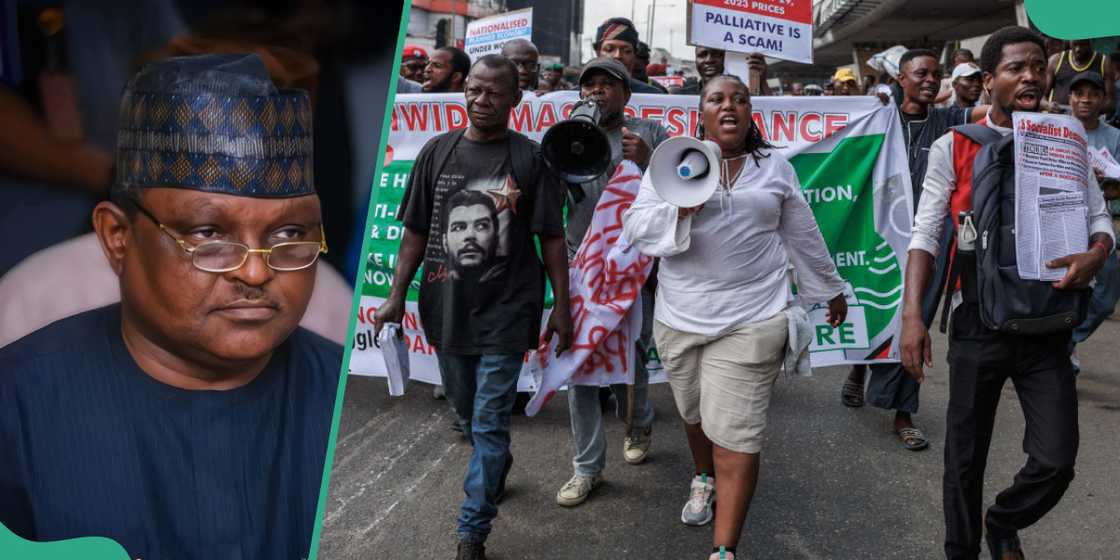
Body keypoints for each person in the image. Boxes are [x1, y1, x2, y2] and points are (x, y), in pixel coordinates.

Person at [0, 53, 340, 560]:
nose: (255, 272)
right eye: (208, 233)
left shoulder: (349, 398)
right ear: (118, 238)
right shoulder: (16, 405)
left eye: (289, 232)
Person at [902, 26, 1115, 560]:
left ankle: (1002, 521)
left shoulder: (1067, 139)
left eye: (1038, 67)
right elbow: (925, 234)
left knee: (1056, 461)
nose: (1029, 77)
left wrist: (1097, 253)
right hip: (977, 322)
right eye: (1015, 68)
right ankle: (962, 550)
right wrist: (912, 318)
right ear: (989, 80)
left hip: (1048, 323)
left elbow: (1098, 218)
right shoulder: (955, 146)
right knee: (964, 459)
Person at [622, 74, 847, 560]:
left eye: (739, 99)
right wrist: (682, 210)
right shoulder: (673, 164)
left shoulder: (774, 167)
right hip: (680, 317)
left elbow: (803, 232)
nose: (729, 106)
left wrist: (829, 288)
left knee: (735, 434)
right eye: (717, 99)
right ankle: (702, 476)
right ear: (700, 113)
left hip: (754, 317)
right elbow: (637, 226)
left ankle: (724, 551)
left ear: (750, 113)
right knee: (694, 413)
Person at [374, 54, 570, 560]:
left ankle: (472, 531)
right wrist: (396, 295)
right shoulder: (436, 152)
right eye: (474, 91)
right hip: (447, 309)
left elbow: (552, 239)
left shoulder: (531, 159)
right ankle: (495, 461)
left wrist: (563, 307)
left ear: (515, 100)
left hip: (509, 309)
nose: (481, 101)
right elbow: (415, 233)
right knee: (466, 416)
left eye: (493, 93)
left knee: (488, 422)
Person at [841, 48, 986, 452]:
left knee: (915, 315)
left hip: (929, 239)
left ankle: (903, 413)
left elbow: (991, 113)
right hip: (878, 235)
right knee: (877, 310)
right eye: (921, 73)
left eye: (936, 74)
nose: (930, 80)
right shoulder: (879, 117)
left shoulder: (947, 120)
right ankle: (859, 369)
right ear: (900, 79)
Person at [553, 56, 667, 508]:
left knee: (630, 355)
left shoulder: (649, 132)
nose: (596, 91)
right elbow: (552, 196)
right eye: (589, 85)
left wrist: (649, 160)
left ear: (626, 94)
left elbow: (679, 192)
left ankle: (638, 423)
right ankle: (587, 467)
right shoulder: (570, 132)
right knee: (578, 362)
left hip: (635, 267)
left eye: (607, 84)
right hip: (582, 264)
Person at [1066, 71, 1120, 369]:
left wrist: (1103, 184)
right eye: (1079, 93)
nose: (1085, 99)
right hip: (1062, 220)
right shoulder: (1057, 128)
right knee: (1062, 286)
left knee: (1106, 295)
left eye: (1093, 94)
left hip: (1099, 225)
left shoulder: (1115, 137)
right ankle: (1061, 348)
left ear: (1103, 99)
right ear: (1070, 98)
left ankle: (1070, 339)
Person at [591, 17, 661, 94]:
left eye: (626, 51)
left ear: (634, 55)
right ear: (598, 53)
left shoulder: (654, 95)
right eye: (609, 49)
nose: (618, 56)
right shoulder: (581, 93)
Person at [1047, 39, 1116, 113]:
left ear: (1090, 42)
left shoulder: (1104, 62)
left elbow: (1110, 103)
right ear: (1069, 42)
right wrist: (1048, 105)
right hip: (1057, 116)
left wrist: (1089, 112)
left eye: (1083, 45)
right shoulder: (1056, 60)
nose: (1078, 49)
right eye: (1075, 44)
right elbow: (1041, 97)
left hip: (1090, 117)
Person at [671, 47, 769, 96]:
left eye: (715, 54)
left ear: (725, 58)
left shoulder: (741, 94)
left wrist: (762, 82)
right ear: (695, 60)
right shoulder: (682, 95)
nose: (709, 60)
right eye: (702, 55)